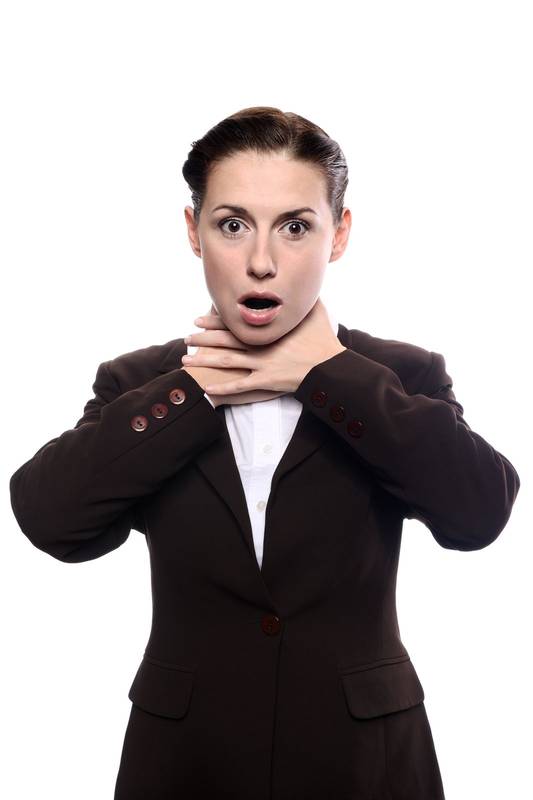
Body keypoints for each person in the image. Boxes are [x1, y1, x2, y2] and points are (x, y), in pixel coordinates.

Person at [9, 106, 521, 799]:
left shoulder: (401, 375)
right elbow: (51, 520)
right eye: (232, 225)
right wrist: (194, 389)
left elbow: (478, 512)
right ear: (193, 231)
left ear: (339, 234)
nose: (260, 261)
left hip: (365, 765)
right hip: (186, 765)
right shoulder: (140, 385)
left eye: (295, 226)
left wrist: (327, 374)